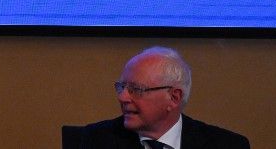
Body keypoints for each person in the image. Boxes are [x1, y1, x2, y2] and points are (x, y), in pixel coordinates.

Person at [79, 46, 250, 149]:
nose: (123, 97)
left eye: (136, 89)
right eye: (122, 87)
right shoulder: (95, 140)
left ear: (174, 98)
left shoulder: (227, 145)